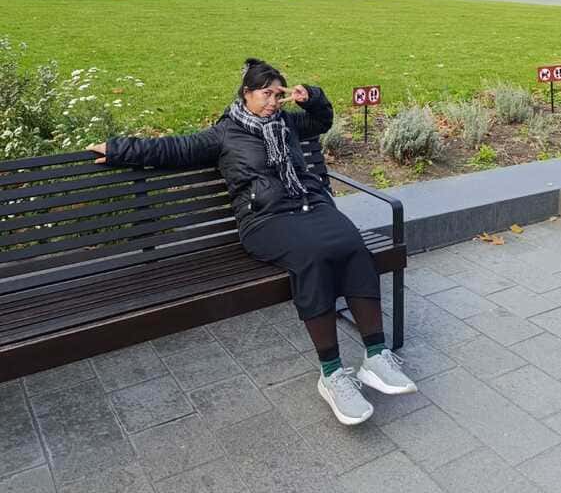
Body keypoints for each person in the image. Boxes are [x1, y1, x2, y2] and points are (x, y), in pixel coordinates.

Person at [90, 57, 416, 427]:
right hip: (266, 221)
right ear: (246, 94)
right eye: (266, 94)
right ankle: (332, 374)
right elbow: (174, 150)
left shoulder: (288, 124)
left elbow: (322, 121)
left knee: (352, 246)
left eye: (279, 94)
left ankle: (375, 356)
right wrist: (119, 150)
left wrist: (313, 98)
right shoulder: (225, 133)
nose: (274, 102)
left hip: (311, 207)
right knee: (313, 256)